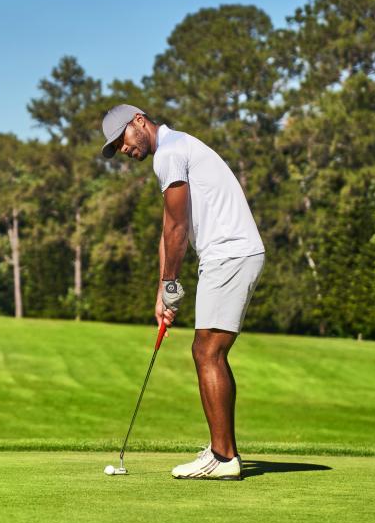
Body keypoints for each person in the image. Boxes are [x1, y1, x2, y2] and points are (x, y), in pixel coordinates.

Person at [99, 104, 265, 480]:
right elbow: (168, 227)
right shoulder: (177, 150)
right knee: (209, 351)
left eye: (121, 140)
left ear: (138, 121)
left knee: (207, 351)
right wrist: (163, 290)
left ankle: (223, 458)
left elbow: (177, 228)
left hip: (230, 252)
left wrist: (172, 284)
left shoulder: (170, 154)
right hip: (227, 254)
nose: (123, 150)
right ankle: (224, 452)